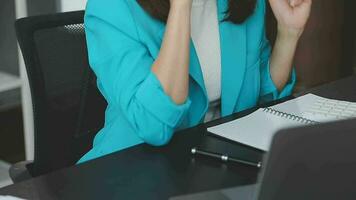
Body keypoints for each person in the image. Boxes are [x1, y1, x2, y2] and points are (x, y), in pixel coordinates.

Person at [78, 0, 312, 163]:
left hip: (216, 163)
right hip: (132, 169)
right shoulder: (110, 6)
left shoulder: (241, 3)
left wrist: (289, 33)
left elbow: (262, 101)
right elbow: (153, 126)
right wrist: (181, 7)